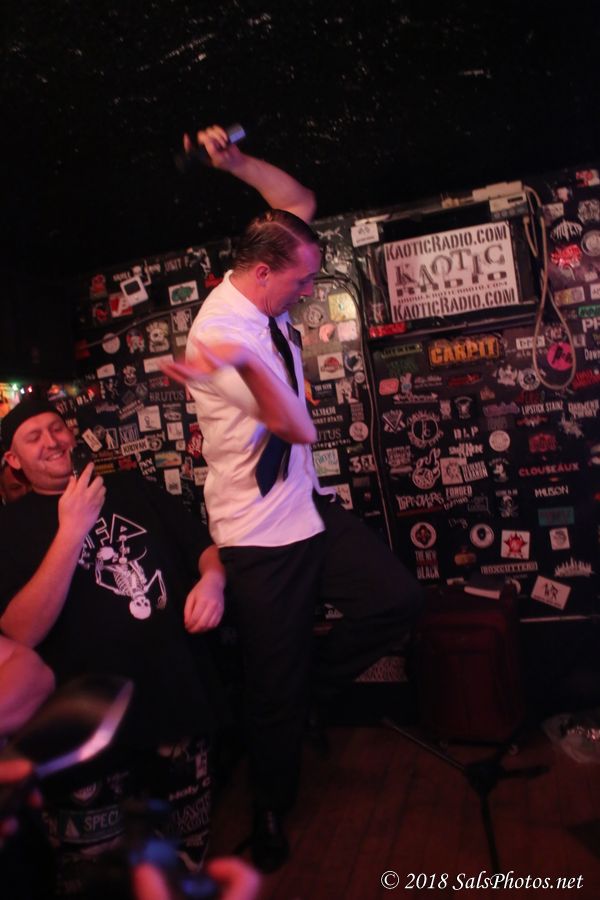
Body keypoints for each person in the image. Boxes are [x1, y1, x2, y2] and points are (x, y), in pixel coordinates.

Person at [171, 127, 424, 872]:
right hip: (257, 536)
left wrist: (236, 163)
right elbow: (296, 426)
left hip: (305, 508)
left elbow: (299, 203)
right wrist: (244, 362)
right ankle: (270, 808)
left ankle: (311, 685)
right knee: (270, 690)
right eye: (301, 282)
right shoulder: (218, 335)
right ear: (262, 273)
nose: (308, 292)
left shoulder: (262, 289)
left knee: (396, 601)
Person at [0, 396, 227, 896]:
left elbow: (204, 550)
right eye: (33, 437)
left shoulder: (129, 487)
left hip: (174, 707)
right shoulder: (10, 529)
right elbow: (21, 632)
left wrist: (213, 582)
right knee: (94, 880)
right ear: (13, 460)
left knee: (185, 857)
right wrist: (72, 528)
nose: (51, 441)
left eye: (55, 428)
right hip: (84, 738)